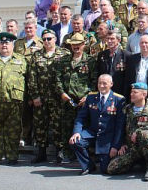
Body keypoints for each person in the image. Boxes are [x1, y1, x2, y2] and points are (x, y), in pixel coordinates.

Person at [54, 33, 98, 164]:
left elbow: (94, 80)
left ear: (84, 45)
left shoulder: (90, 61)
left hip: (84, 101)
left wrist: (88, 96)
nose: (76, 47)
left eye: (79, 44)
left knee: (86, 128)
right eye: (74, 44)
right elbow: (58, 79)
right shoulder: (64, 60)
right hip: (68, 100)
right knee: (67, 127)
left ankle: (86, 154)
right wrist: (62, 93)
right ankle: (68, 154)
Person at [69, 74, 126, 175]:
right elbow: (81, 117)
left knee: (105, 169)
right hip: (93, 132)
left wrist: (115, 146)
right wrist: (77, 132)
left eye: (105, 83)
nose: (102, 86)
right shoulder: (91, 97)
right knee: (75, 141)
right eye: (100, 83)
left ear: (111, 84)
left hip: (108, 137)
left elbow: (120, 125)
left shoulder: (119, 100)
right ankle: (88, 166)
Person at [28, 29, 70, 164]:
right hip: (41, 97)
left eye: (49, 39)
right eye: (44, 39)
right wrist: (35, 96)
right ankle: (41, 152)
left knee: (58, 125)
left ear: (55, 39)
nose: (47, 41)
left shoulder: (64, 54)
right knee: (40, 125)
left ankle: (60, 151)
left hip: (58, 97)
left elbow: (67, 76)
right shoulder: (36, 55)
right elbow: (32, 77)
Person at [107, 82, 148, 180]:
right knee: (111, 168)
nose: (131, 94)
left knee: (144, 134)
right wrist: (122, 143)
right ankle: (137, 162)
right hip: (133, 149)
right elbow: (121, 129)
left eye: (135, 92)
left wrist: (138, 132)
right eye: (131, 92)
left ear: (144, 94)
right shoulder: (127, 109)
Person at [0, 32, 27, 165]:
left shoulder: (21, 60)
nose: (4, 45)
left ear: (12, 45)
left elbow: (29, 79)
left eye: (7, 43)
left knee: (13, 129)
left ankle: (12, 155)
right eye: (2, 43)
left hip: (14, 100)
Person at [13, 18, 43, 147]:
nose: (29, 30)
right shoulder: (18, 43)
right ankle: (25, 136)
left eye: (31, 28)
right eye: (26, 28)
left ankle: (37, 137)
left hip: (37, 80)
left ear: (36, 29)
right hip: (22, 80)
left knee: (37, 111)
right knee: (24, 111)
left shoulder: (41, 42)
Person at [97, 29, 131, 95]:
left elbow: (128, 77)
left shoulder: (127, 55)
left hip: (120, 92)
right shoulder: (102, 55)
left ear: (118, 40)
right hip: (104, 91)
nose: (109, 41)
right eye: (108, 39)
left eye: (112, 39)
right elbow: (99, 73)